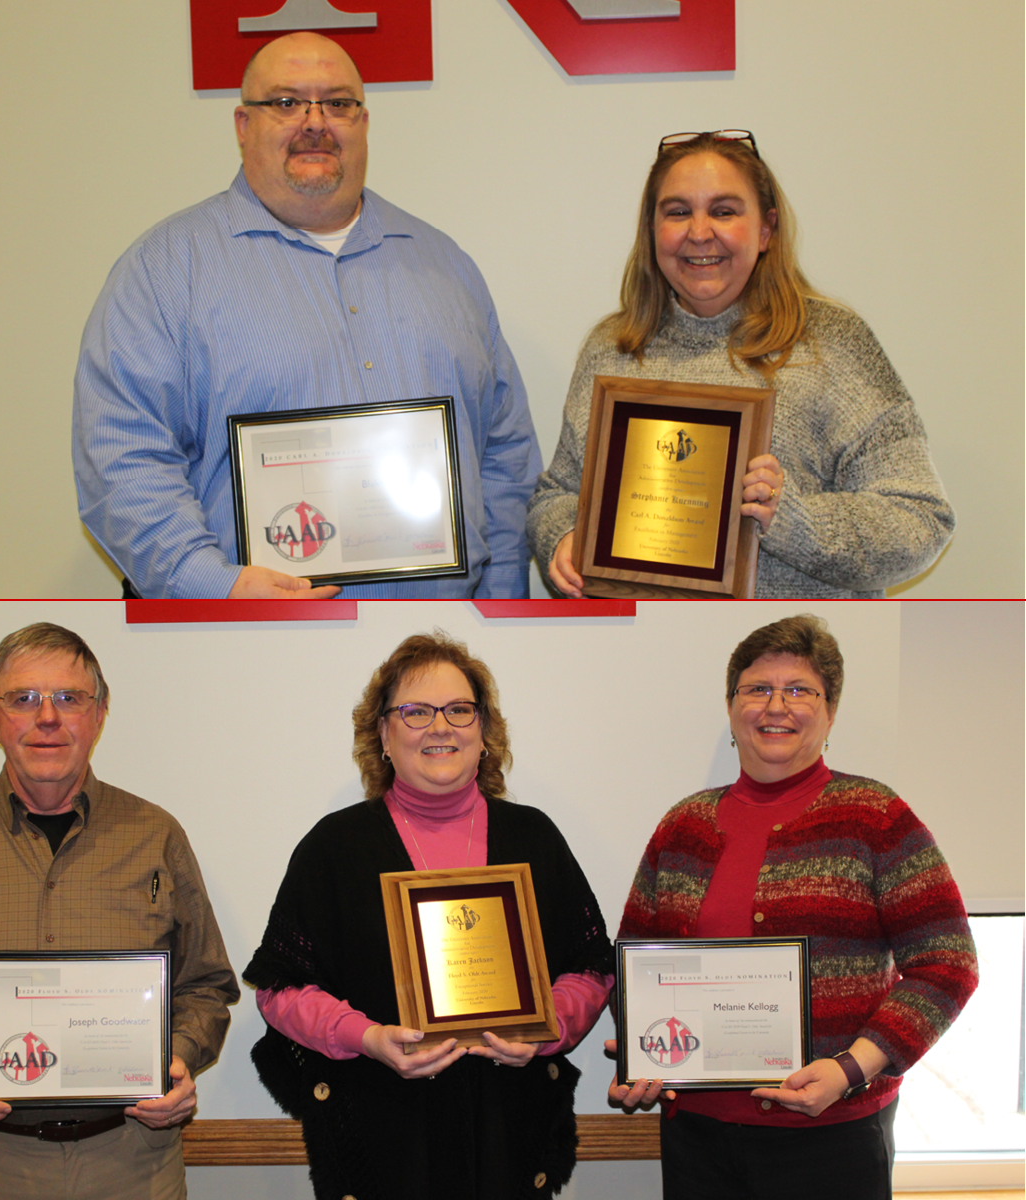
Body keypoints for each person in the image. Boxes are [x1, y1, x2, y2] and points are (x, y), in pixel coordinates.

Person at [74, 31, 540, 600]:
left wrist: (503, 602)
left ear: (364, 123)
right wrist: (214, 588)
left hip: (438, 654)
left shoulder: (446, 265)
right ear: (244, 126)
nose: (314, 122)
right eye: (287, 103)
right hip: (252, 647)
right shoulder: (166, 270)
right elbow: (121, 460)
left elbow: (504, 454)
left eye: (338, 104)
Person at [0, 623, 239, 1200]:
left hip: (136, 1160)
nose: (47, 718)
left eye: (69, 698)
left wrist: (180, 1061)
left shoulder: (156, 835)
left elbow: (207, 986)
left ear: (100, 713)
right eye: (23, 699)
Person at [608, 614, 978, 1200]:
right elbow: (632, 959)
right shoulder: (681, 827)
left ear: (830, 713)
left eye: (800, 690)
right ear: (731, 709)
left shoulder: (875, 817)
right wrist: (642, 1047)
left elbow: (948, 965)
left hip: (833, 1135)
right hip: (697, 1136)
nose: (775, 706)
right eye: (757, 689)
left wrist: (851, 1068)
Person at [243, 632, 614, 1199]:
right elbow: (280, 988)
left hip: (507, 1135)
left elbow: (592, 968)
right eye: (416, 712)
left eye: (459, 710)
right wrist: (366, 1037)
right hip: (381, 1134)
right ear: (383, 735)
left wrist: (545, 1029)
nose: (441, 727)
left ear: (484, 733)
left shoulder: (533, 837)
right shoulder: (334, 848)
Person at [527, 130, 955, 598]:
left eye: (724, 211)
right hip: (636, 655)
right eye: (677, 212)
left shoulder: (832, 341)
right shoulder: (611, 347)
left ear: (766, 229)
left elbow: (921, 520)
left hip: (785, 657)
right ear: (652, 230)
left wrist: (792, 519)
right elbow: (556, 494)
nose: (699, 232)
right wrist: (565, 536)